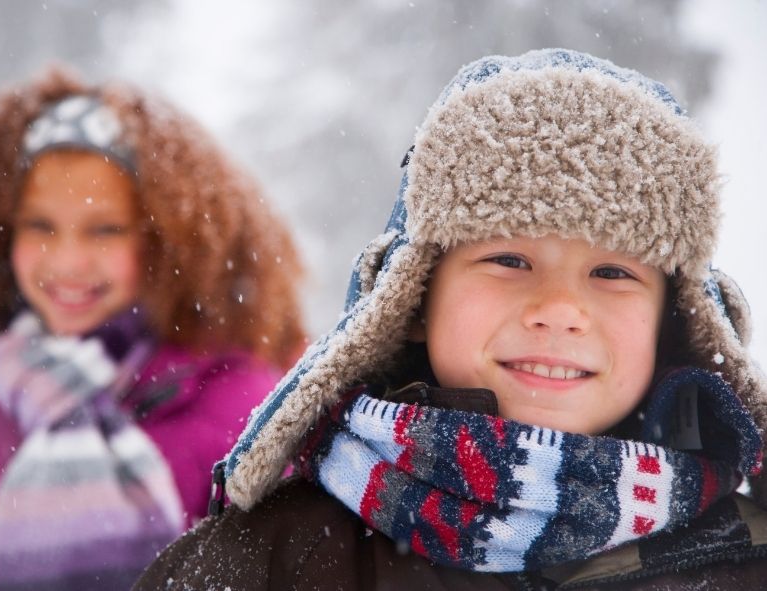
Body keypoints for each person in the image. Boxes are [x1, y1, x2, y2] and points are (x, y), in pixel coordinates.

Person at [133, 49, 767, 590]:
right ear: (413, 301)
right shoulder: (277, 556)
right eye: (509, 258)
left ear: (673, 322)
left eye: (613, 273)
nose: (559, 311)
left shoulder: (746, 557)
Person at [0, 66, 305, 591]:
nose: (67, 260)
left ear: (167, 242)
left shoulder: (244, 410)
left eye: (104, 229)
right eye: (41, 225)